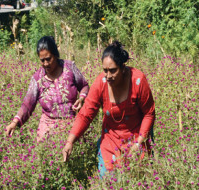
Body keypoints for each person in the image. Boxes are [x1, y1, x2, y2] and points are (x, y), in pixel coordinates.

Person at [62, 41, 155, 176]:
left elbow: (149, 114)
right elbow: (85, 114)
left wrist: (139, 143)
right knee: (109, 184)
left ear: (123, 67)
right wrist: (70, 141)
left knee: (138, 181)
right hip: (110, 141)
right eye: (105, 70)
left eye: (113, 70)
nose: (108, 75)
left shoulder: (138, 80)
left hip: (136, 138)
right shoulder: (101, 83)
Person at [5, 36, 89, 142]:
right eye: (42, 60)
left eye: (49, 59)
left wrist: (81, 98)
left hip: (71, 126)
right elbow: (27, 104)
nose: (45, 64)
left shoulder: (69, 68)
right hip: (48, 131)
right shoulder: (37, 79)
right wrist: (15, 122)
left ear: (55, 55)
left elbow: (84, 86)